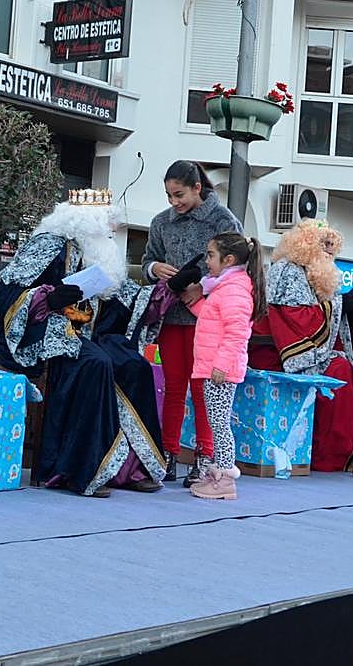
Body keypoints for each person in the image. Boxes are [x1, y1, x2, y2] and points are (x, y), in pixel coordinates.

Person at [0, 190, 171, 497]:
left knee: (136, 366)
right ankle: (80, 469)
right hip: (49, 333)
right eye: (107, 225)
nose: (112, 231)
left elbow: (126, 299)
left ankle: (131, 469)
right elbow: (8, 292)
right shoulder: (48, 244)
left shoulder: (99, 252)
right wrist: (48, 299)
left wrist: (166, 290)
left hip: (93, 334)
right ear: (88, 223)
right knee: (94, 364)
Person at [248, 219, 353, 472]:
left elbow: (325, 316)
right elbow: (295, 317)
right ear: (306, 244)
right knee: (339, 368)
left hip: (307, 347)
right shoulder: (287, 270)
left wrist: (350, 308)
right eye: (324, 244)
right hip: (277, 351)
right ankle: (329, 453)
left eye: (333, 245)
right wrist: (340, 305)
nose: (330, 250)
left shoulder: (319, 274)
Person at [141, 160, 242, 485]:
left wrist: (203, 288)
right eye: (169, 196)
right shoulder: (161, 222)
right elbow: (146, 260)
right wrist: (155, 268)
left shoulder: (223, 219)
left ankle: (204, 456)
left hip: (207, 319)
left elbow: (237, 266)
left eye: (179, 194)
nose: (174, 202)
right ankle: (168, 453)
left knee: (203, 389)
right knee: (172, 386)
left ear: (197, 188)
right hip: (171, 315)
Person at [185, 233, 265, 500]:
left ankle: (225, 478)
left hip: (221, 371)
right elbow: (214, 320)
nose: (207, 261)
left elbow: (237, 333)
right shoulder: (226, 287)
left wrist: (220, 365)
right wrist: (195, 303)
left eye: (211, 255)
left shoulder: (234, 289)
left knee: (219, 423)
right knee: (217, 421)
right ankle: (219, 473)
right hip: (217, 368)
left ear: (228, 259)